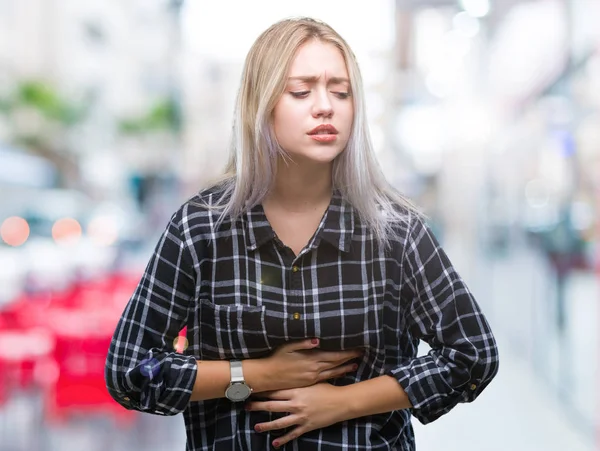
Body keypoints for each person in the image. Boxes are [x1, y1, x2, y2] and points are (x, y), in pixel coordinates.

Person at [105, 16, 499, 451]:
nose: (325, 105)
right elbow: (131, 370)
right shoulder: (201, 229)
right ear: (262, 102)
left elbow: (471, 356)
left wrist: (344, 402)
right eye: (301, 90)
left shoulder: (396, 232)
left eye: (341, 91)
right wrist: (253, 377)